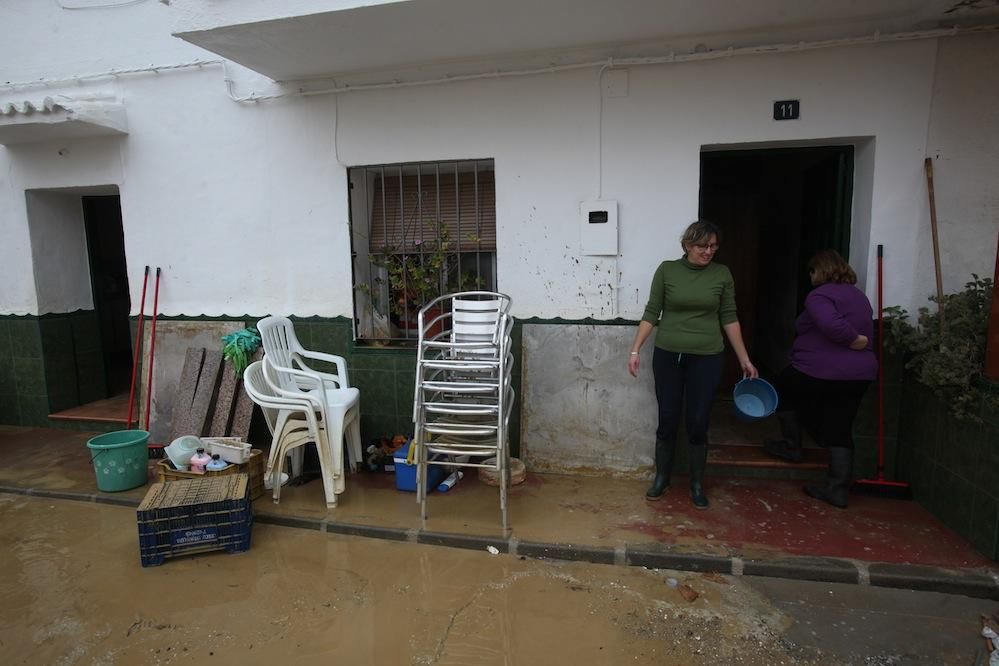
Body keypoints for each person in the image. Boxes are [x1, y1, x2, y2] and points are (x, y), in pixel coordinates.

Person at [628, 220, 758, 509]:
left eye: (713, 246)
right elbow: (652, 311)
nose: (709, 251)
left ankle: (697, 483)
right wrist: (635, 349)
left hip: (708, 357)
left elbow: (729, 317)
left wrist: (744, 359)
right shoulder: (667, 270)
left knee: (698, 421)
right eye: (702, 246)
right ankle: (662, 477)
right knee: (668, 418)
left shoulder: (722, 274)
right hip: (668, 355)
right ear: (687, 245)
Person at [762, 249, 877, 509]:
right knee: (840, 428)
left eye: (812, 271)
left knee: (780, 391)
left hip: (821, 369)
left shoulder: (820, 295)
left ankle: (792, 447)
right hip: (859, 374)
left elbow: (832, 325)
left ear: (820, 270)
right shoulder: (858, 296)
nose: (811, 276)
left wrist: (853, 339)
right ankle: (837, 490)